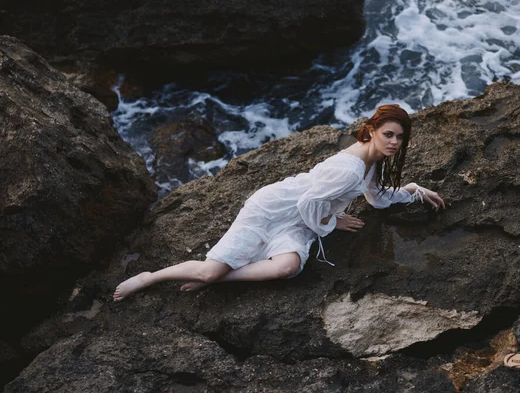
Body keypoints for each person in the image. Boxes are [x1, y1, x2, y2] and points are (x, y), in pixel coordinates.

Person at [113, 104, 445, 301]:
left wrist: (412, 190)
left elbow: (376, 199)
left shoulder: (371, 163)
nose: (395, 142)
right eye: (389, 134)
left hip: (299, 220)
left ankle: (220, 280)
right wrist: (332, 222)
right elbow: (308, 203)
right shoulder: (350, 168)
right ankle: (150, 277)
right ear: (371, 131)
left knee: (287, 267)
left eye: (400, 137)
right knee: (207, 269)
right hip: (274, 208)